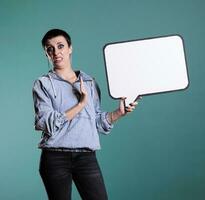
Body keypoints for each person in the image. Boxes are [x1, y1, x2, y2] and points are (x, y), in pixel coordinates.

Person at [32, 29, 139, 200]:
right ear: (46, 53)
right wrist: (80, 104)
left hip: (86, 157)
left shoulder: (89, 82)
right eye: (50, 48)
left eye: (60, 46)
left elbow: (96, 121)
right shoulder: (43, 84)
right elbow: (46, 122)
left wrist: (119, 113)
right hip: (55, 157)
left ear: (70, 48)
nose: (56, 52)